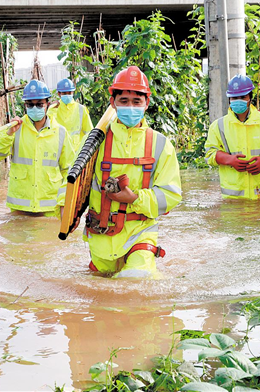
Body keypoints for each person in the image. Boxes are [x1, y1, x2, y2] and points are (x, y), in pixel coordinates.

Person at [63, 66, 182, 278]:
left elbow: (171, 195)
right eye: (124, 101)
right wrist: (64, 209)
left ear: (146, 103)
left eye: (137, 102)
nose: (130, 107)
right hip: (100, 235)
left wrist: (134, 198)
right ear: (113, 102)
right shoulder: (94, 141)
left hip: (140, 234)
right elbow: (72, 180)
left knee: (136, 280)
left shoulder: (161, 145)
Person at [0, 79, 75, 216]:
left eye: (39, 104)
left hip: (50, 208)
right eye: (30, 105)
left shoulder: (60, 132)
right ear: (25, 105)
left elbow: (69, 170)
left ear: (48, 103)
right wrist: (9, 134)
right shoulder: (14, 129)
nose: (35, 108)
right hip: (20, 207)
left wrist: (64, 201)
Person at [204, 75, 260, 200]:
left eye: (243, 97)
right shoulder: (218, 126)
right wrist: (230, 160)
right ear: (229, 99)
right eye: (235, 97)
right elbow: (210, 154)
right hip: (232, 198)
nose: (238, 100)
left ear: (250, 98)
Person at [46, 78, 93, 150]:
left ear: (73, 93)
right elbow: (48, 130)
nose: (67, 95)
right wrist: (54, 110)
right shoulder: (53, 109)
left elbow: (89, 132)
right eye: (64, 93)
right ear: (59, 94)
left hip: (77, 152)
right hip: (58, 151)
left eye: (69, 93)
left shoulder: (81, 109)